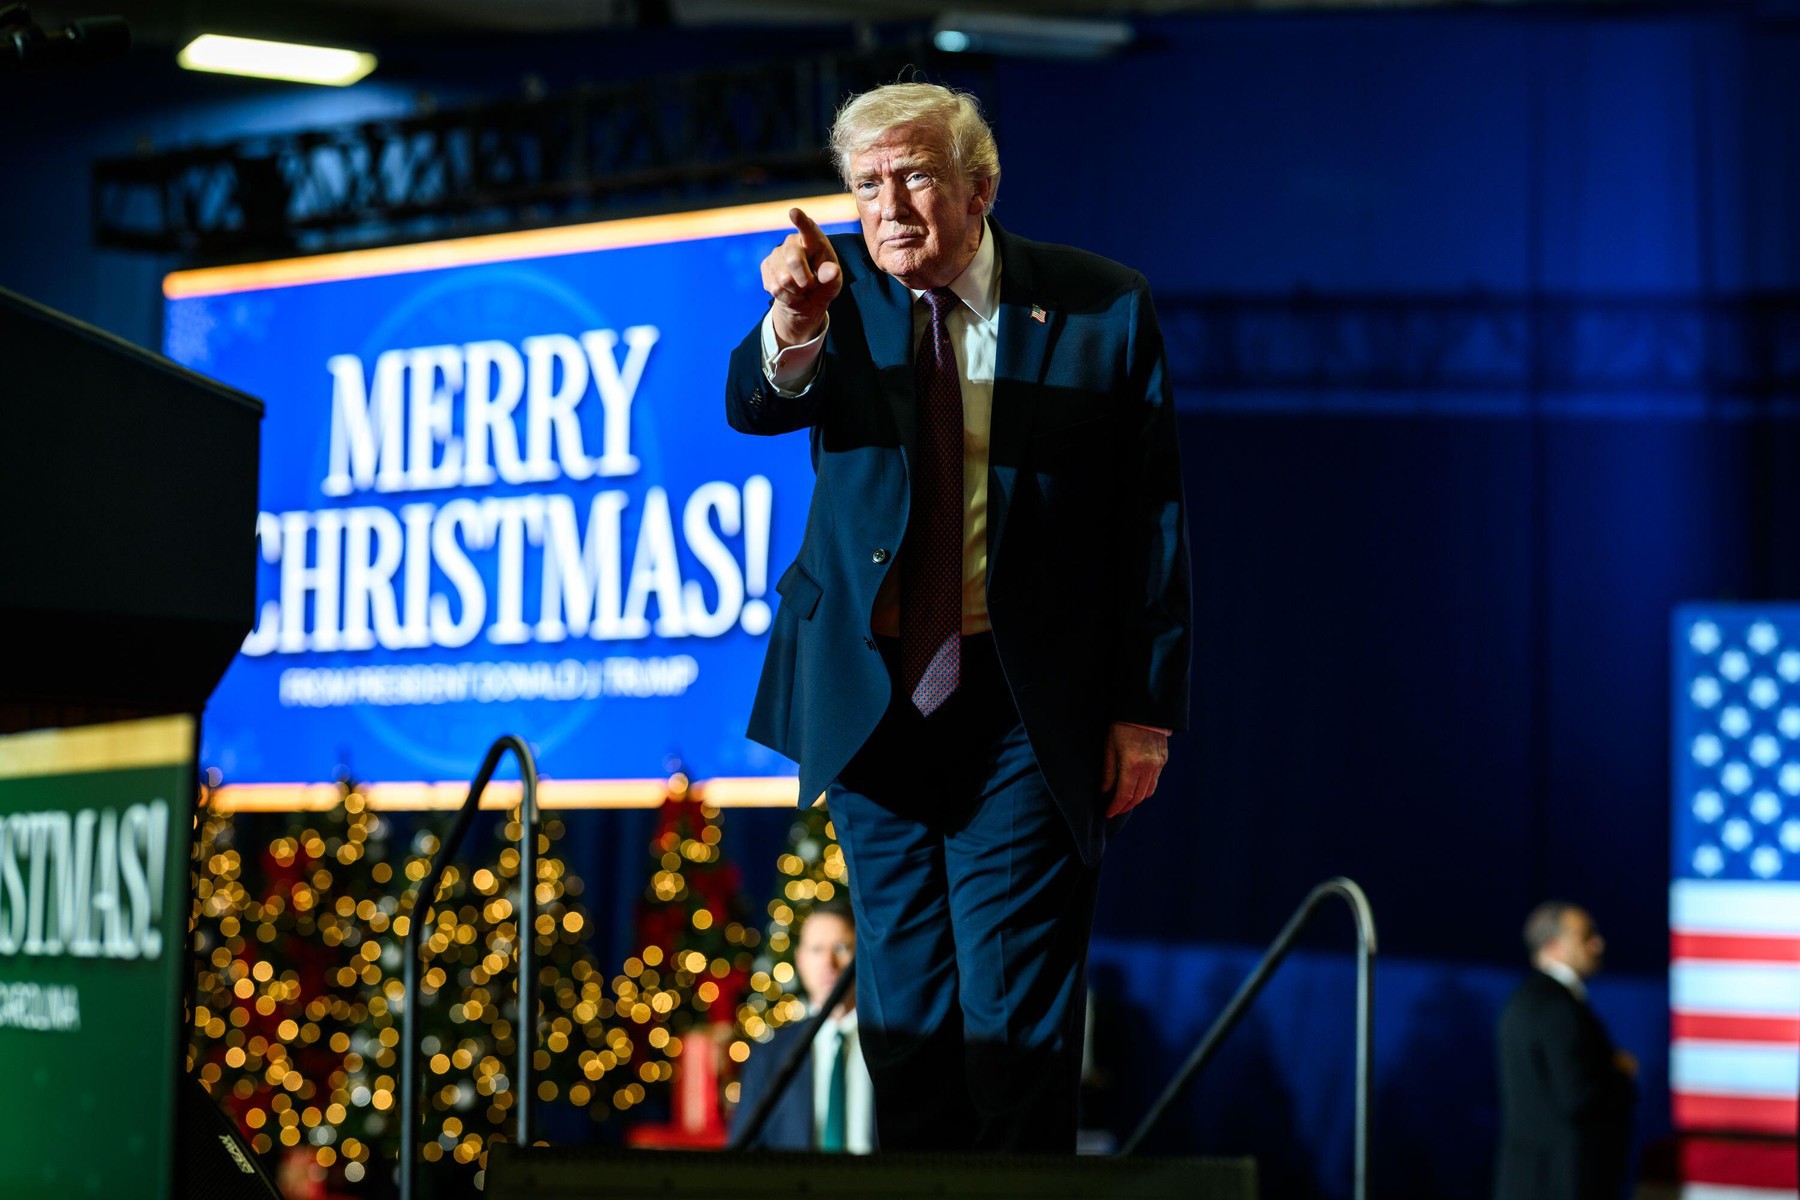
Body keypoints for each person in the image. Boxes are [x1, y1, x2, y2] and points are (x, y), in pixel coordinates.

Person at [724, 81, 1191, 1153]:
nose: (888, 206)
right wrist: (793, 323)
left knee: (1013, 1019)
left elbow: (1151, 517)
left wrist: (1144, 710)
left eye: (915, 176)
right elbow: (754, 402)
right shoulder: (833, 291)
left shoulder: (1099, 305)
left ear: (979, 188)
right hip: (871, 699)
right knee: (904, 1023)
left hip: (1024, 702)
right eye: (866, 184)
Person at [1495, 902, 1638, 1200]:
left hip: (1526, 1179)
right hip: (1565, 1181)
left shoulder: (1521, 1000)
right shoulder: (1558, 1006)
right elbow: (1577, 1094)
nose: (1598, 944)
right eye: (1586, 936)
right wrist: (1619, 1073)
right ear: (1553, 946)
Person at [732, 903, 874, 1152]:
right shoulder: (769, 1056)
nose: (828, 963)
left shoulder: (895, 1046)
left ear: (862, 955)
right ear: (800, 960)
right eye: (816, 950)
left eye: (841, 948)